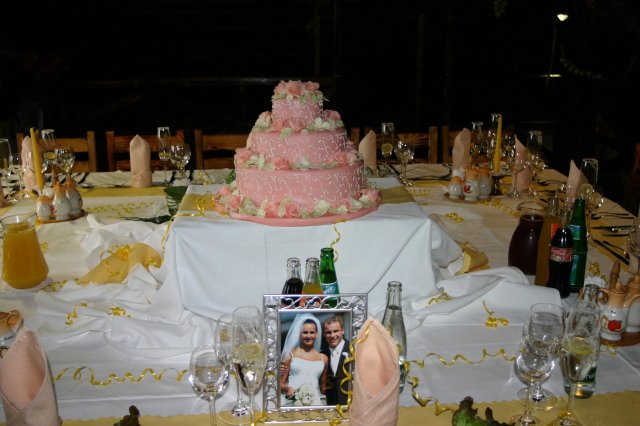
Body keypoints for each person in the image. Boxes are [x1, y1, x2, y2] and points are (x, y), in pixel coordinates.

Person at [280, 313, 328, 406]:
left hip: (315, 403)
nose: (308, 336)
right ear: (299, 334)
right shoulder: (290, 355)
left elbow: (323, 387)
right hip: (292, 401)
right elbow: (280, 384)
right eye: (305, 332)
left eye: (312, 332)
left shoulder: (324, 358)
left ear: (317, 334)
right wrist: (288, 389)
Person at [321, 315, 350, 405]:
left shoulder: (354, 350)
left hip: (351, 405)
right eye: (328, 332)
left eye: (336, 331)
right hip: (329, 406)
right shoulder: (321, 355)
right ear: (324, 334)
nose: (332, 335)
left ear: (342, 330)